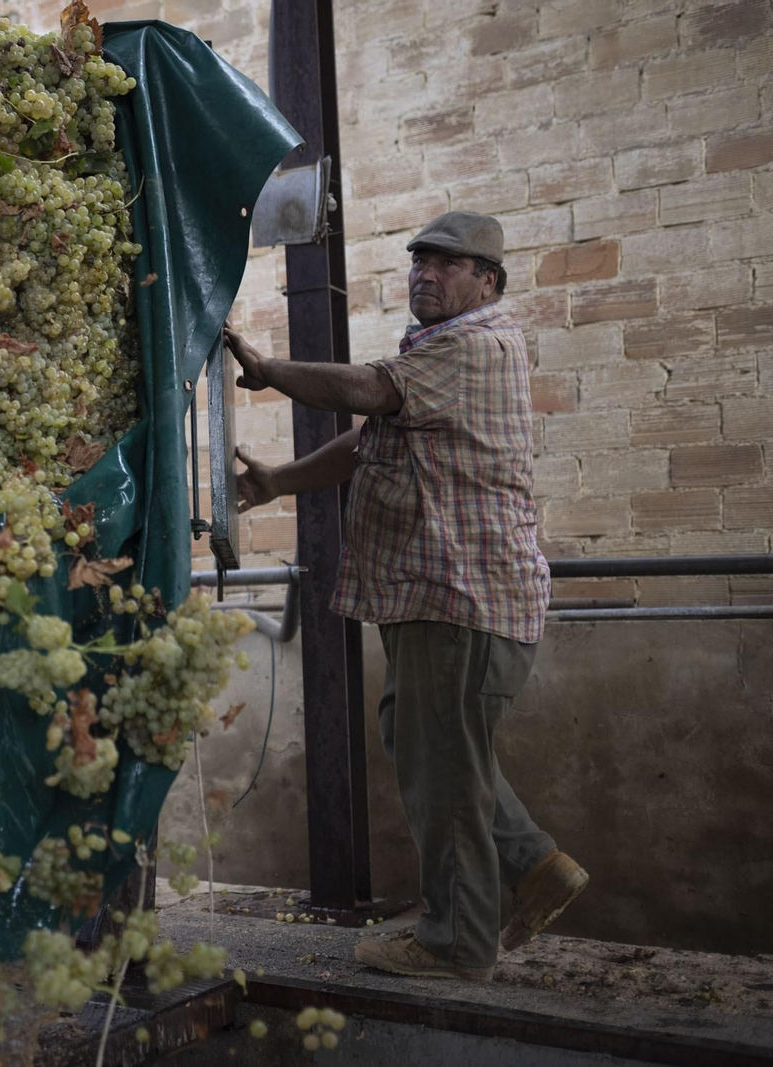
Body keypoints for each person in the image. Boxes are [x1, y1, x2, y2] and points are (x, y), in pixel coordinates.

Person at [223, 211, 587, 982]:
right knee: (420, 740)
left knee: (444, 769)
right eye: (419, 260)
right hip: (442, 595)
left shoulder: (475, 343)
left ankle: (457, 942)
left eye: (447, 264)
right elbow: (370, 437)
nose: (426, 272)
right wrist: (280, 481)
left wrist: (272, 369)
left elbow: (369, 390)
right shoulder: (440, 356)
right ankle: (535, 863)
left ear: (487, 281)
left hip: (462, 597)